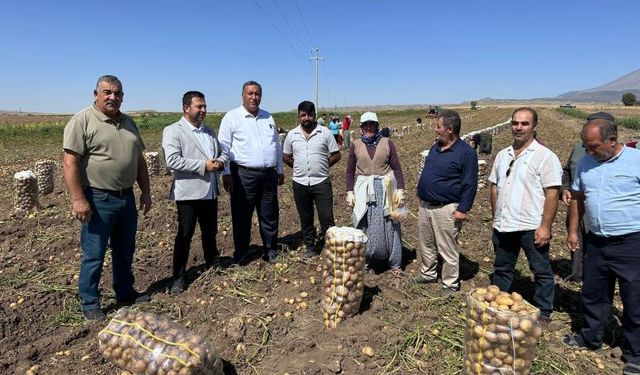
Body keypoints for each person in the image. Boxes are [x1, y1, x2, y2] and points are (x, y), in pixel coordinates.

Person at [62, 75, 151, 321]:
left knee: (125, 249)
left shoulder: (129, 122)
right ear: (96, 94)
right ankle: (90, 301)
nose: (113, 97)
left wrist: (146, 191)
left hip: (126, 198)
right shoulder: (82, 121)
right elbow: (69, 162)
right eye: (107, 92)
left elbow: (139, 160)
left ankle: (124, 291)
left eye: (117, 93)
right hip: (98, 198)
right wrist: (78, 199)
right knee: (94, 253)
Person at [563, 113, 640, 375]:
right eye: (585, 145)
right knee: (593, 294)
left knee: (635, 299)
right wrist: (574, 231)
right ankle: (591, 338)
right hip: (596, 241)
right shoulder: (585, 163)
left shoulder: (637, 161)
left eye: (593, 146)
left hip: (631, 243)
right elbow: (577, 198)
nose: (588, 150)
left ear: (612, 140)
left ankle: (635, 354)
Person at [488, 107, 561, 327]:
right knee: (502, 267)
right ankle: (499, 306)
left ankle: (543, 312)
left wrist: (545, 226)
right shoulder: (503, 155)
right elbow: (493, 187)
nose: (518, 127)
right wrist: (496, 216)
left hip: (531, 225)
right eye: (515, 123)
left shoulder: (545, 157)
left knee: (540, 270)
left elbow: (552, 193)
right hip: (504, 224)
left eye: (524, 123)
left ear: (535, 126)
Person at [162, 91, 228, 295]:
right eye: (199, 106)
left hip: (209, 191)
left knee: (210, 231)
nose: (203, 110)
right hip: (188, 194)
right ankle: (179, 276)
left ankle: (212, 262)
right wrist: (203, 166)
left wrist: (221, 161)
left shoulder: (208, 132)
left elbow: (222, 152)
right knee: (185, 234)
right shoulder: (173, 130)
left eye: (204, 106)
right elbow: (172, 160)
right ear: (186, 108)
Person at [218, 81, 284, 264]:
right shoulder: (232, 117)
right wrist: (227, 173)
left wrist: (279, 170)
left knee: (269, 214)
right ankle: (241, 252)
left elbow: (276, 147)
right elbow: (223, 147)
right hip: (243, 175)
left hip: (268, 175)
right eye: (250, 94)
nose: (254, 97)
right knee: (241, 215)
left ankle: (270, 249)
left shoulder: (268, 118)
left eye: (257, 94)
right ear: (243, 96)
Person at [415, 110, 478, 297]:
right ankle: (428, 273)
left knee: (447, 247)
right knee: (426, 244)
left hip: (446, 207)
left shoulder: (466, 153)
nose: (435, 130)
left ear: (450, 129)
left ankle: (450, 284)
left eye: (438, 127)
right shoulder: (436, 147)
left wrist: (463, 209)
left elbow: (470, 183)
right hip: (426, 206)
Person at [345, 111, 405, 275]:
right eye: (366, 125)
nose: (369, 128)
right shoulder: (355, 144)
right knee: (363, 223)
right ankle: (364, 260)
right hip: (364, 189)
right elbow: (350, 171)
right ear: (361, 128)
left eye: (372, 125)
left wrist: (400, 189)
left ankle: (394, 262)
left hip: (385, 188)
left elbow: (397, 168)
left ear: (377, 126)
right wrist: (349, 191)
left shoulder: (387, 143)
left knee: (391, 223)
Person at [283, 101, 341, 258]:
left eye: (309, 114)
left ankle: (331, 247)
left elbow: (336, 154)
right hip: (300, 183)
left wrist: (323, 165)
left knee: (326, 217)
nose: (306, 118)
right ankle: (310, 247)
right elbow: (286, 156)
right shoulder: (292, 135)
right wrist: (297, 167)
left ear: (314, 115)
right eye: (303, 115)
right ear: (299, 116)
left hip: (321, 182)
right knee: (306, 218)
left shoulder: (325, 132)